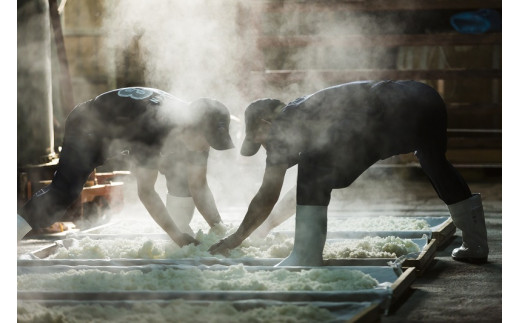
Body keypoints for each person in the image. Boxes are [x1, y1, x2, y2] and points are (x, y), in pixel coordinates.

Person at [209, 80, 489, 265]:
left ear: (265, 122)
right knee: (434, 162)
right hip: (424, 98)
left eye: (261, 140)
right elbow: (303, 191)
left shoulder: (285, 124)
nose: (267, 147)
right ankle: (476, 245)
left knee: (313, 167)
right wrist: (267, 226)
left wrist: (237, 237)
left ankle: (305, 256)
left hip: (384, 114)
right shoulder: (304, 111)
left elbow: (268, 193)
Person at [17, 87, 235, 247]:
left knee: (181, 177)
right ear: (192, 127)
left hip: (127, 126)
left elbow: (199, 186)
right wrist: (175, 235)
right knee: (63, 194)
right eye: (207, 140)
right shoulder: (154, 128)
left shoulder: (194, 129)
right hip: (89, 127)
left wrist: (221, 231)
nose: (208, 147)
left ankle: (180, 239)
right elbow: (147, 192)